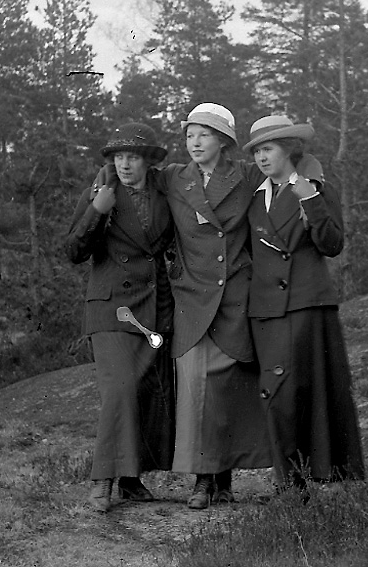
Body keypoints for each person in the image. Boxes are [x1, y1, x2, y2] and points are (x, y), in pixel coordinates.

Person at [102, 103, 323, 509]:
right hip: (192, 297)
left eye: (204, 134)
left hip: (236, 293)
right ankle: (204, 480)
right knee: (195, 389)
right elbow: (125, 171)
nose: (195, 142)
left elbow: (293, 163)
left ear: (223, 140)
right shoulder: (173, 177)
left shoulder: (247, 174)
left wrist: (313, 177)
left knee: (230, 391)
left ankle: (224, 480)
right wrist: (103, 180)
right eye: (189, 135)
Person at [244, 115, 365, 495]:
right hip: (265, 309)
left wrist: (310, 200)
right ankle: (290, 483)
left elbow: (332, 245)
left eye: (268, 149)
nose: (262, 157)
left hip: (306, 304)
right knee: (275, 394)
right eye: (257, 151)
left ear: (289, 150)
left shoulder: (316, 190)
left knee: (302, 395)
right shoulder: (254, 196)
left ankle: (299, 485)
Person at [64, 123, 176, 513]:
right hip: (111, 308)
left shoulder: (163, 195)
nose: (125, 164)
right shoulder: (98, 193)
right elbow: (74, 251)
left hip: (152, 305)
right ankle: (103, 480)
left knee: (144, 391)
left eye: (133, 157)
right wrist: (97, 211)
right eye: (119, 157)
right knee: (120, 390)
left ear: (148, 161)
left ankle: (130, 479)